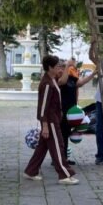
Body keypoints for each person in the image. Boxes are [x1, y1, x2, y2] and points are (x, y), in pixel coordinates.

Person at [24, 55, 80, 184]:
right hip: (50, 121)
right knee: (58, 146)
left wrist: (66, 67)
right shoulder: (47, 84)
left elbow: (64, 80)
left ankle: (30, 171)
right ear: (50, 68)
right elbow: (43, 107)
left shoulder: (52, 79)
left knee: (42, 147)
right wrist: (45, 125)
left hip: (54, 119)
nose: (59, 69)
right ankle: (64, 175)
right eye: (57, 67)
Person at [58, 57, 96, 165]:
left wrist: (93, 74)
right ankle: (60, 159)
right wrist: (67, 66)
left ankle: (64, 157)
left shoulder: (71, 78)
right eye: (61, 67)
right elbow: (63, 81)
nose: (62, 70)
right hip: (62, 110)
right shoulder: (58, 79)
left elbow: (81, 83)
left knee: (66, 134)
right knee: (62, 134)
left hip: (72, 111)